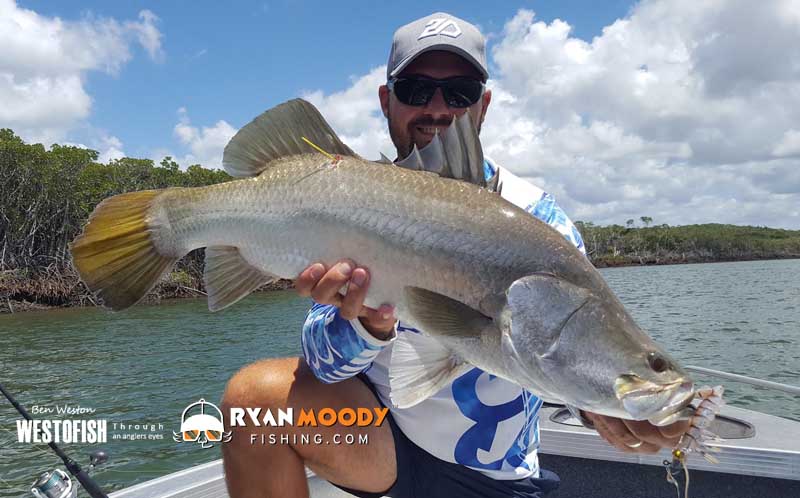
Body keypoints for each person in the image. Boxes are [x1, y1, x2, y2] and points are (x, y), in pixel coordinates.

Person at [221, 12, 689, 498]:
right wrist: (369, 322)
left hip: (492, 474)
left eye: (460, 91)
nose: (439, 108)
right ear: (387, 100)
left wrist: (601, 409)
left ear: (483, 104)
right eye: (417, 89)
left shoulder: (542, 220)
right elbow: (325, 365)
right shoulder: (349, 201)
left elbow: (564, 345)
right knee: (253, 402)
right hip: (380, 446)